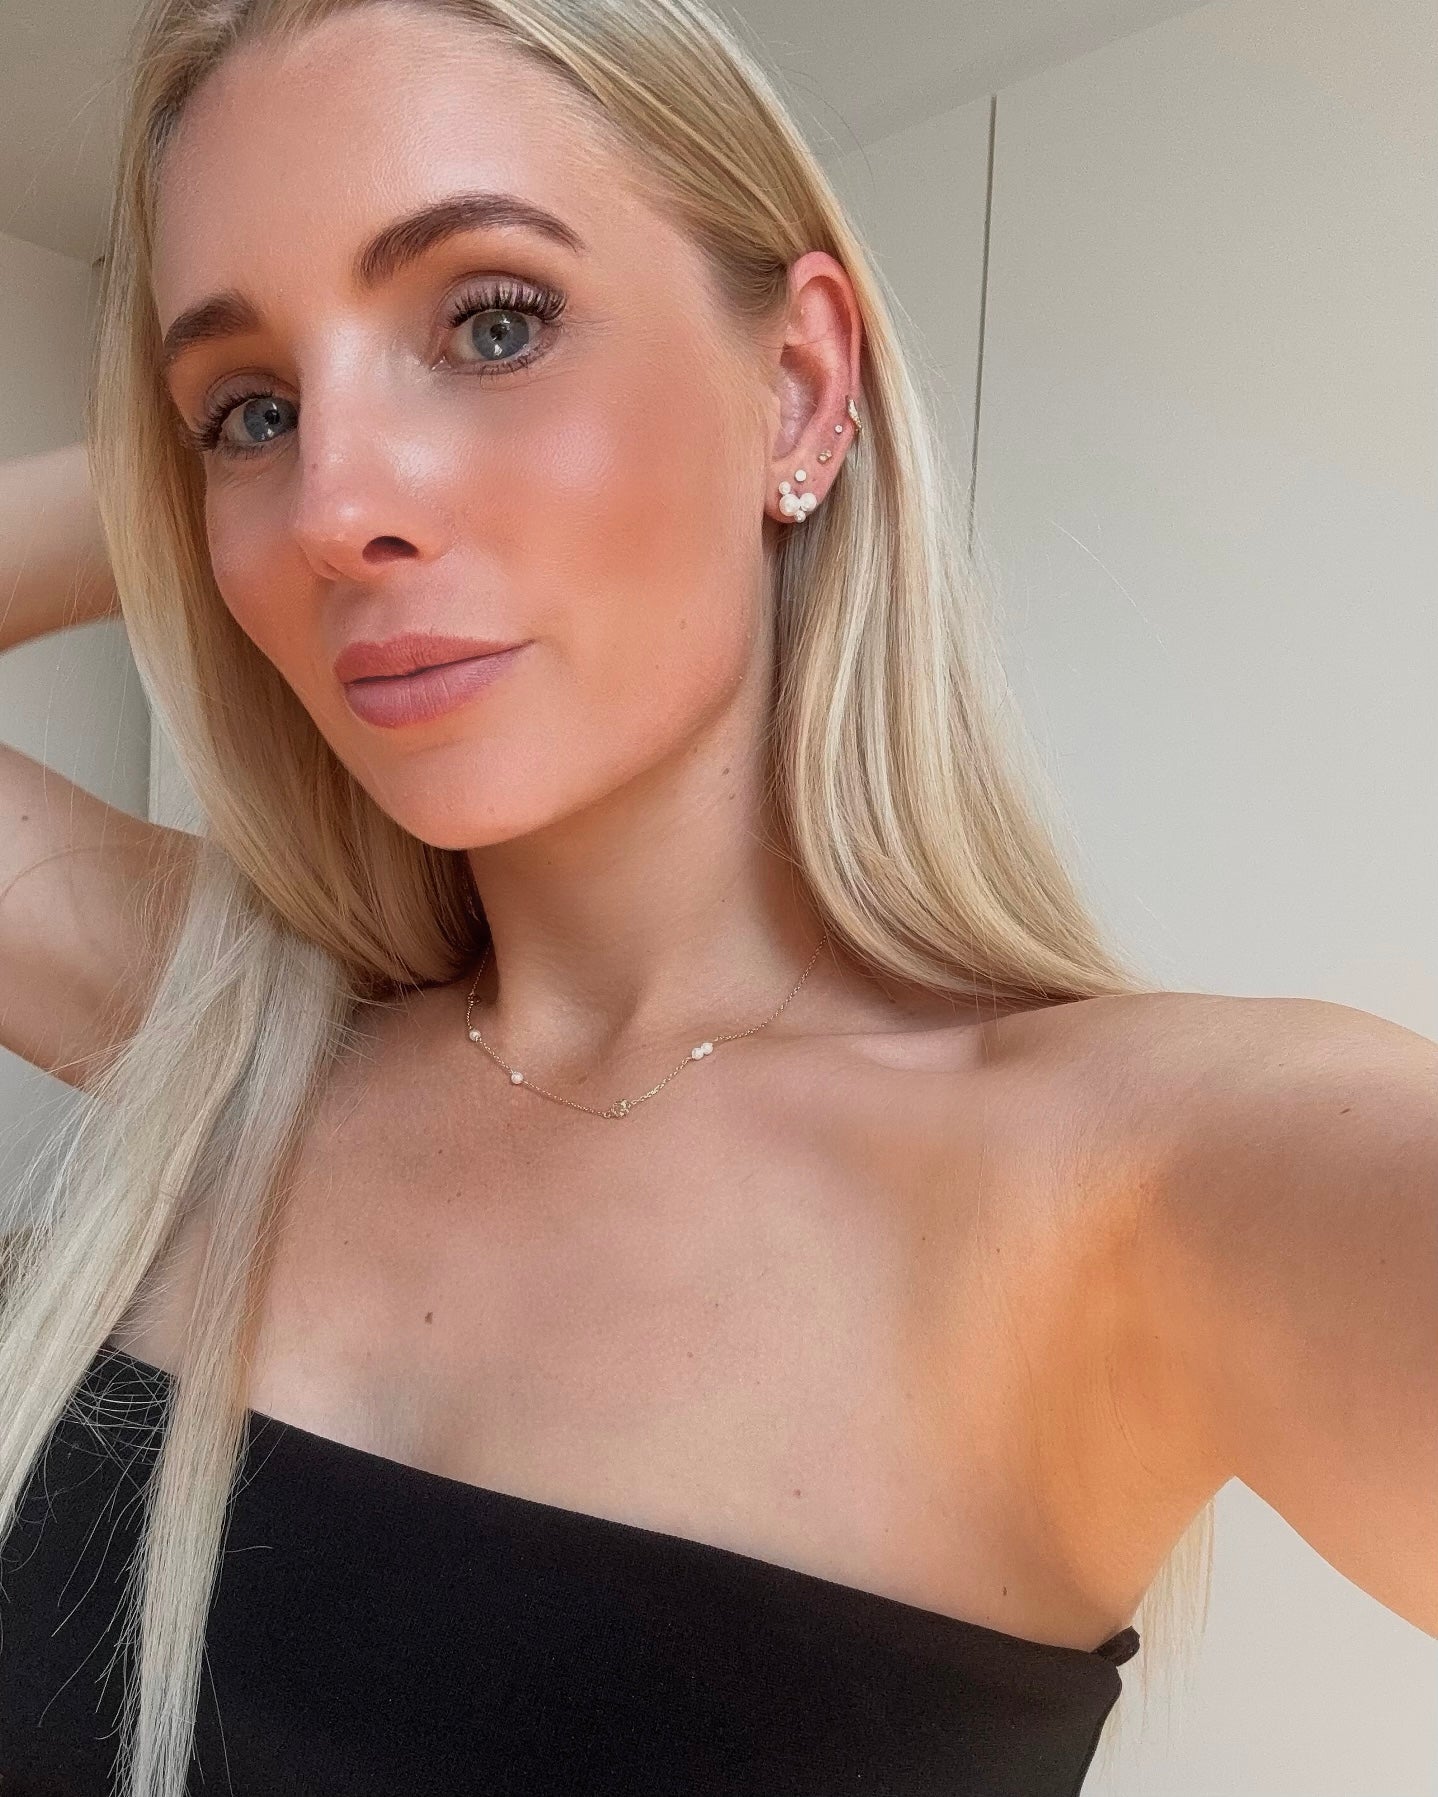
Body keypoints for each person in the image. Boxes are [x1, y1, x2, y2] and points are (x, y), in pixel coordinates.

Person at [0, 1, 1432, 1793]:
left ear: (799, 388)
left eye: (492, 321)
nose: (332, 506)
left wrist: (262, 425)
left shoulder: (1127, 1179)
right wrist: (177, 474)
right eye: (250, 409)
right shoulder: (240, 1040)